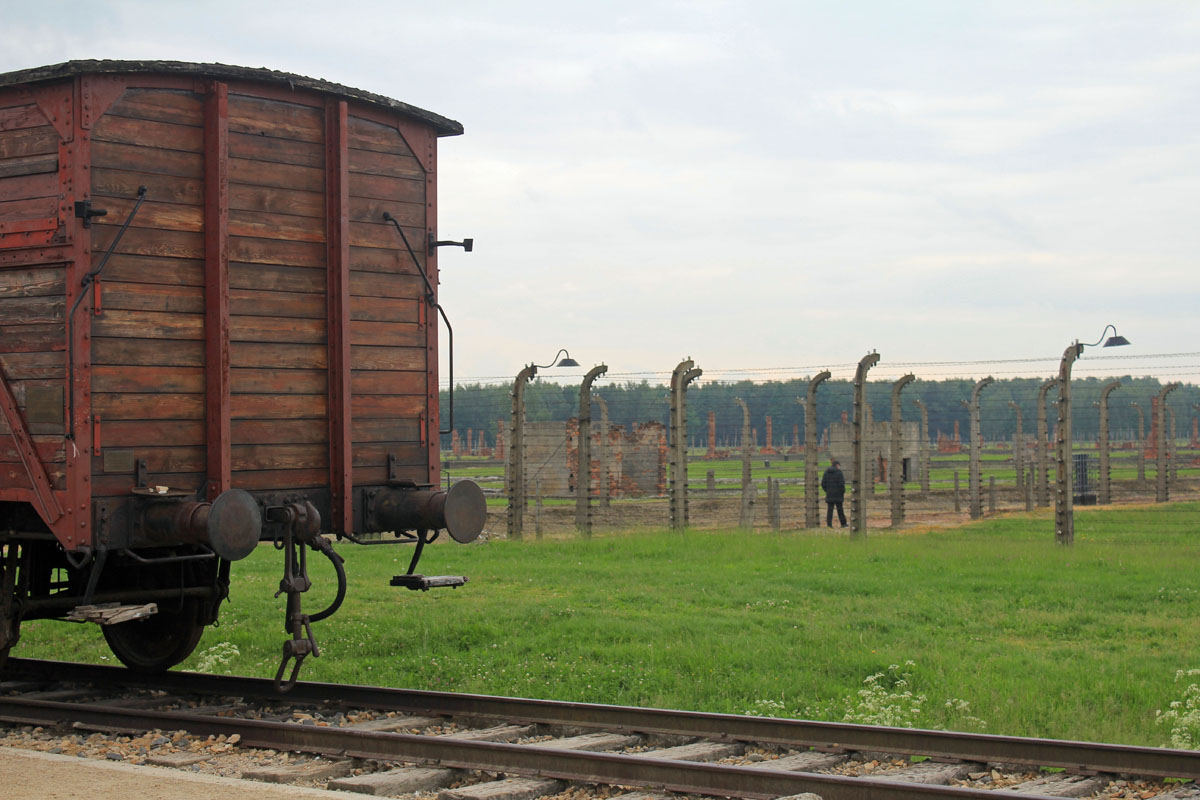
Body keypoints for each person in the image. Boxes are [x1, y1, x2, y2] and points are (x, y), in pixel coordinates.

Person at [821, 459, 847, 528]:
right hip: (838, 494)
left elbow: (823, 483)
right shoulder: (839, 473)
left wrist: (827, 490)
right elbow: (842, 484)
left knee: (830, 510)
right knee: (840, 509)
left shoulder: (826, 472)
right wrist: (843, 491)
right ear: (837, 465)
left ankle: (829, 525)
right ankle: (843, 523)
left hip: (830, 494)